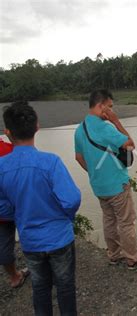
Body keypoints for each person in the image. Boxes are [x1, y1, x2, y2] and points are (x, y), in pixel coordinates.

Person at [0, 101, 81, 315]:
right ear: (37, 126)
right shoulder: (50, 162)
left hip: (30, 241)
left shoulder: (2, 167)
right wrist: (65, 218)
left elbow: (2, 208)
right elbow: (72, 200)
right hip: (60, 238)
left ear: (7, 132)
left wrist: (18, 213)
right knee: (65, 286)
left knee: (40, 287)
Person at [74, 89, 137, 270]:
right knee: (126, 222)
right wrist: (115, 121)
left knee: (109, 220)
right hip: (117, 184)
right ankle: (132, 259)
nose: (112, 110)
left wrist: (94, 173)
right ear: (101, 106)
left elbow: (78, 157)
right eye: (110, 107)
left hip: (98, 186)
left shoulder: (80, 129)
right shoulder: (106, 127)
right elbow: (130, 144)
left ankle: (114, 255)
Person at [0, 137, 29, 288]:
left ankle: (14, 277)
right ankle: (41, 268)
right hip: (19, 205)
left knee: (4, 244)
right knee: (31, 234)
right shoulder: (9, 149)